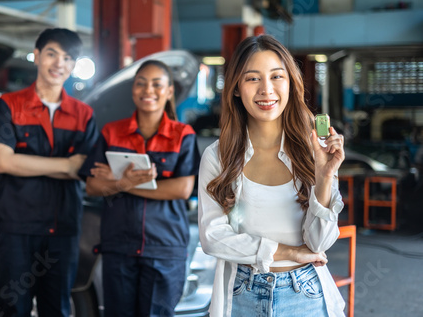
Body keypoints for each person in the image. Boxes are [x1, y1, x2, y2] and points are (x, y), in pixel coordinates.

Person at [198, 35, 346, 317]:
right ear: (237, 89)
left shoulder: (313, 150)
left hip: (306, 295)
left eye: (277, 76)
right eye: (252, 79)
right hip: (240, 294)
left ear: (291, 82)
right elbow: (213, 237)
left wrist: (325, 177)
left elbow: (319, 244)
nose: (267, 90)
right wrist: (288, 252)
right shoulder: (218, 156)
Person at [0, 28, 99, 316]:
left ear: (73, 66)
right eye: (52, 54)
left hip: (63, 228)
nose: (60, 63)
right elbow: (3, 162)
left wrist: (26, 162)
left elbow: (85, 170)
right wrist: (65, 165)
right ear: (36, 55)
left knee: (57, 308)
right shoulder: (9, 105)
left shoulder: (84, 114)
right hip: (18, 227)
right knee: (13, 307)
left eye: (68, 58)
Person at [79, 60, 201, 317]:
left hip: (164, 248)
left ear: (169, 91)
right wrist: (124, 183)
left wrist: (122, 183)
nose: (148, 90)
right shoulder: (112, 132)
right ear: (133, 89)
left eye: (157, 84)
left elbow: (181, 189)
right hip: (118, 247)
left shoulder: (183, 135)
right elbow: (92, 185)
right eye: (141, 83)